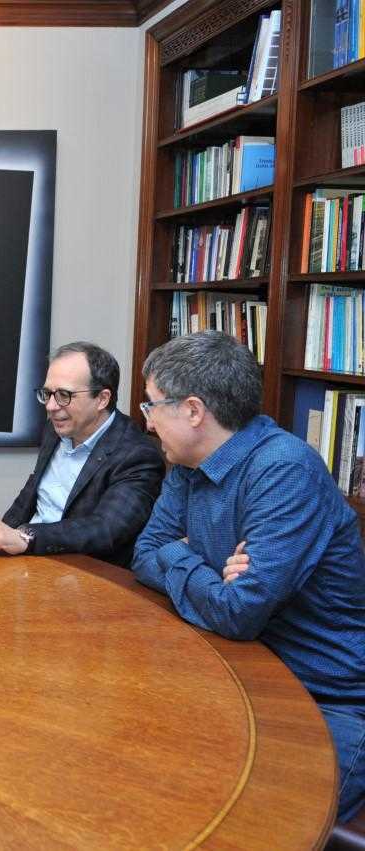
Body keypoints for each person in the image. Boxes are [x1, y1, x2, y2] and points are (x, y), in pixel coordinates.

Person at [133, 331, 365, 823]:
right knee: (145, 781)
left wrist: (181, 556)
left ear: (193, 411)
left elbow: (238, 612)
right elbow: (146, 553)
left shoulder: (284, 469)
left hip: (325, 699)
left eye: (151, 404)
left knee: (254, 825)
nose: (146, 421)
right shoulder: (187, 462)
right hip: (232, 672)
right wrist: (202, 566)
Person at [0, 342, 165, 566]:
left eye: (64, 395)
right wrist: (2, 534)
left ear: (102, 399)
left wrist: (26, 537)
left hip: (80, 571)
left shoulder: (137, 455)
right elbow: (34, 490)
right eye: (47, 393)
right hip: (27, 559)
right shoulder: (56, 428)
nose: (51, 406)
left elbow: (106, 529)